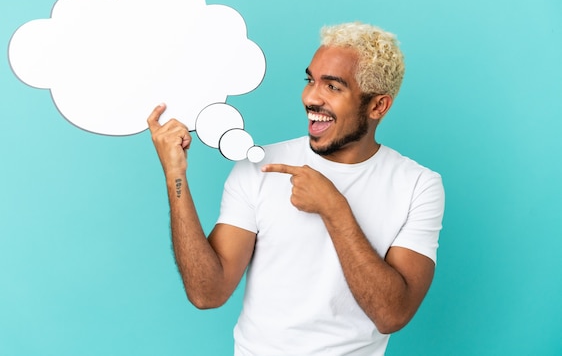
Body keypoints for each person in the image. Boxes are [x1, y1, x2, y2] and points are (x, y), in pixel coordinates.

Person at [147, 22, 445, 355]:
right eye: (310, 80)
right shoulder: (260, 167)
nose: (311, 97)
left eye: (333, 87)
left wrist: (334, 208)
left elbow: (392, 314)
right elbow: (207, 293)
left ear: (378, 106)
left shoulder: (418, 185)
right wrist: (176, 175)